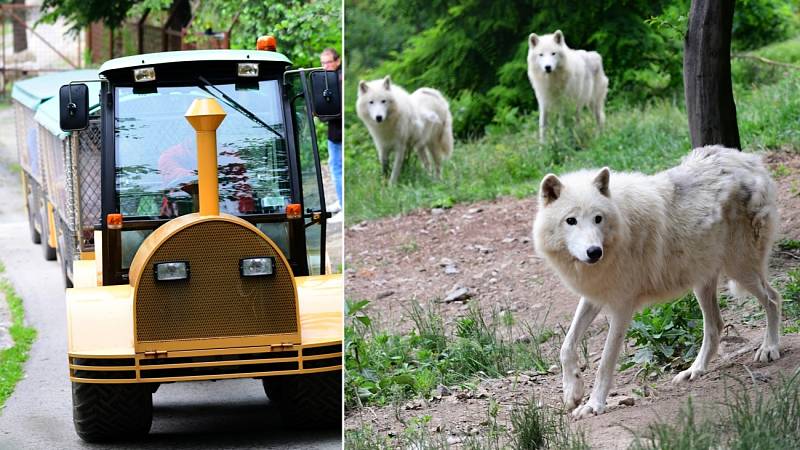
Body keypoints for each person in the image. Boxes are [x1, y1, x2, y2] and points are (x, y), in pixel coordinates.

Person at [319, 47, 343, 223]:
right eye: (323, 63)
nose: (325, 66)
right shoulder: (327, 80)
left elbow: (338, 110)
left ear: (337, 61)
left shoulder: (339, 81)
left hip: (340, 133)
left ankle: (344, 207)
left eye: (328, 62)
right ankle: (341, 202)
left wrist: (322, 115)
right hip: (333, 134)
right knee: (334, 166)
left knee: (339, 169)